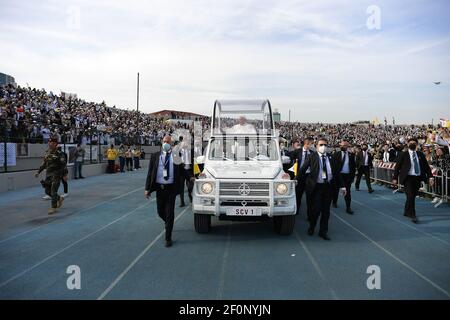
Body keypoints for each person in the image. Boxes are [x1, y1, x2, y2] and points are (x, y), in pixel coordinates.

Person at [297, 137, 346, 240]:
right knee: (316, 210)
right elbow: (302, 169)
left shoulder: (330, 157)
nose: (323, 147)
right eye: (321, 145)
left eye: (325, 145)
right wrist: (295, 179)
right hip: (316, 187)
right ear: (316, 146)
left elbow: (337, 173)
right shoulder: (312, 157)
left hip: (327, 187)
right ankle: (312, 227)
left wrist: (343, 186)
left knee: (326, 211)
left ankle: (323, 232)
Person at [145, 135, 181, 247]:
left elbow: (183, 169)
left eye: (168, 141)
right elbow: (150, 173)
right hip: (160, 189)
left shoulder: (176, 156)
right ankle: (168, 223)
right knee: (160, 212)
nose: (165, 143)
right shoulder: (155, 156)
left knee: (170, 213)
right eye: (164, 141)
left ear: (171, 144)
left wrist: (191, 177)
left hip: (171, 189)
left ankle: (168, 238)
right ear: (162, 142)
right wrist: (147, 189)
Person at [393, 138, 433, 223]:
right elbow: (397, 167)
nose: (412, 144)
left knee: (412, 196)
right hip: (407, 178)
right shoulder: (403, 154)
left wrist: (431, 177)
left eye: (414, 143)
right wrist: (395, 178)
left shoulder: (420, 154)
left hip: (417, 178)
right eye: (410, 143)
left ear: (417, 144)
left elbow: (426, 167)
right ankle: (413, 214)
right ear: (407, 144)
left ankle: (406, 211)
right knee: (410, 195)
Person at [34, 137, 67, 214]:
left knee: (53, 191)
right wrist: (38, 172)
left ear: (55, 144)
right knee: (47, 191)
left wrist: (65, 174)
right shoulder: (47, 153)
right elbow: (44, 164)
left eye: (51, 142)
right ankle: (59, 198)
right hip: (48, 175)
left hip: (57, 174)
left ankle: (53, 207)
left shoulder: (59, 154)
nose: (49, 144)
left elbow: (63, 165)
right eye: (49, 142)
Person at [290, 137, 313, 216]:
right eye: (311, 143)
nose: (312, 145)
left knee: (310, 197)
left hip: (309, 177)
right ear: (306, 144)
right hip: (299, 176)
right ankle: (296, 210)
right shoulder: (297, 152)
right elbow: (289, 159)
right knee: (298, 195)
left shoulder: (312, 153)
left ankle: (309, 215)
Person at [332, 139, 356, 214]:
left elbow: (353, 167)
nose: (342, 146)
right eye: (341, 145)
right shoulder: (336, 154)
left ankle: (348, 207)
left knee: (347, 192)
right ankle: (334, 202)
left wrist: (352, 177)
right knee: (335, 190)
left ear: (347, 146)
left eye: (344, 145)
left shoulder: (351, 155)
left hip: (347, 176)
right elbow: (333, 166)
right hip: (338, 175)